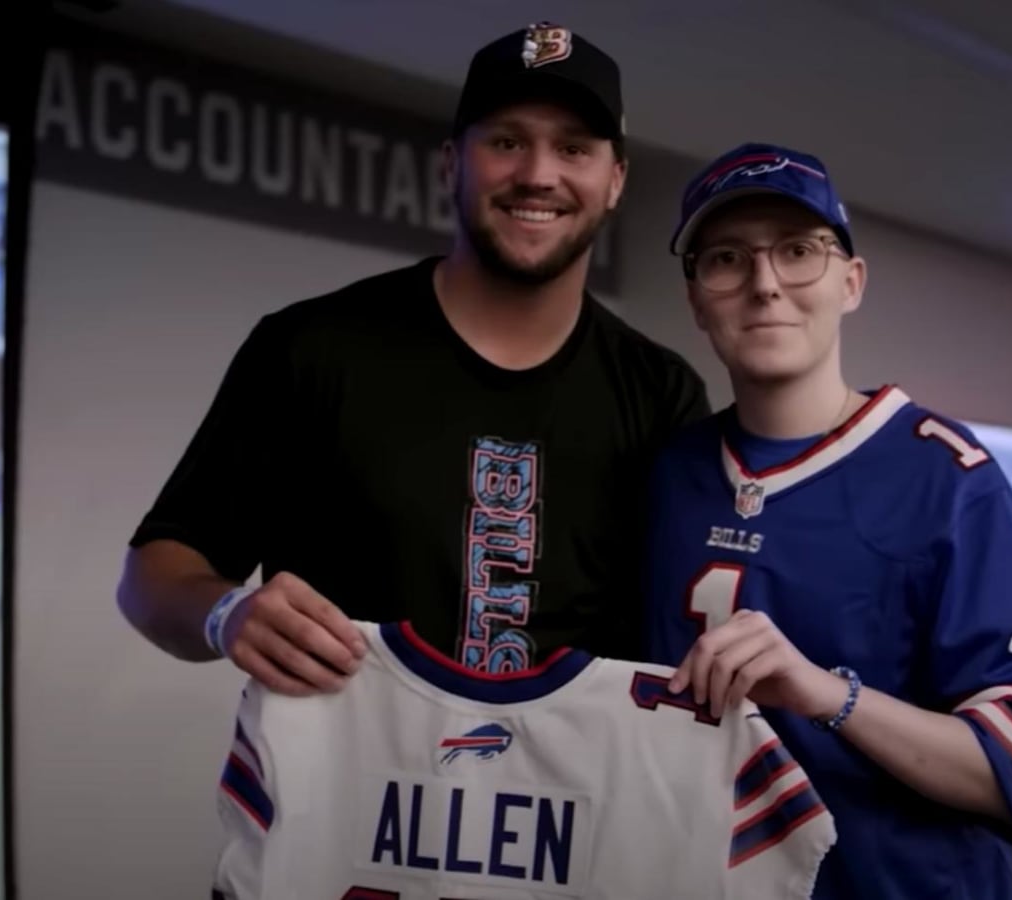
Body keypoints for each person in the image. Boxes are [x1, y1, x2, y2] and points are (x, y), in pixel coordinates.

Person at [115, 22, 709, 696]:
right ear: (453, 162)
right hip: (342, 794)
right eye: (507, 141)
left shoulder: (660, 395)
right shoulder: (314, 348)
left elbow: (684, 621)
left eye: (573, 148)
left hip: (568, 797)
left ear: (615, 181)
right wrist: (226, 614)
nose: (539, 175)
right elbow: (152, 575)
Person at [640, 142, 1012, 899]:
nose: (765, 284)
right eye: (726, 258)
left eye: (798, 251)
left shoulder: (944, 476)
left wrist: (825, 695)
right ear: (695, 296)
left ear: (852, 282)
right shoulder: (667, 471)